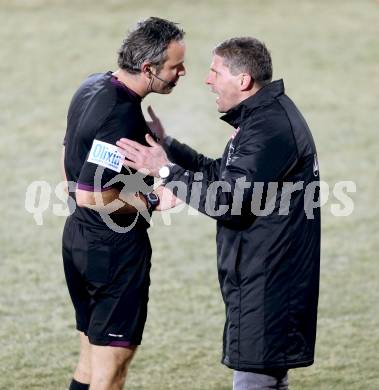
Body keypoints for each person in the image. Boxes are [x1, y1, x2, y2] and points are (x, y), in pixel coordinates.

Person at [117, 37, 321, 389]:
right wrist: (168, 147)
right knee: (265, 377)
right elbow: (223, 175)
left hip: (269, 282)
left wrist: (166, 172)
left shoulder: (268, 129)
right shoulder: (264, 118)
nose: (207, 80)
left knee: (255, 379)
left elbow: (227, 201)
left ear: (243, 81)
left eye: (215, 72)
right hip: (264, 275)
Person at [62, 17, 185, 390]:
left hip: (79, 240)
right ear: (148, 68)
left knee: (89, 363)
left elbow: (68, 150)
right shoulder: (121, 113)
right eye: (175, 66)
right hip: (114, 253)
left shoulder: (93, 85)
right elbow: (92, 194)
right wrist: (151, 199)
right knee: (111, 373)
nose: (183, 72)